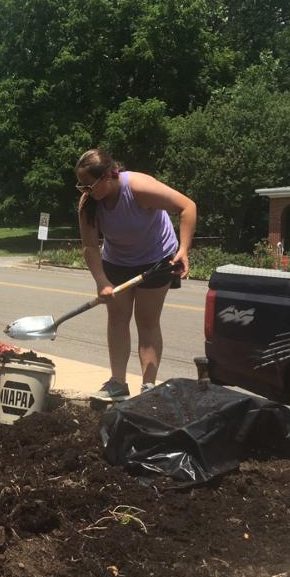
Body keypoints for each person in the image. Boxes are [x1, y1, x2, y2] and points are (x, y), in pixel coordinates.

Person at [76, 147, 197, 400]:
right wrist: (102, 281)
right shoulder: (89, 203)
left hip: (156, 258)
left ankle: (148, 388)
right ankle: (117, 383)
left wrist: (184, 249)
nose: (85, 191)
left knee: (147, 321)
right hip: (116, 260)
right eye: (81, 186)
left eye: (90, 184)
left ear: (109, 175)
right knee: (117, 318)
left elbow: (187, 207)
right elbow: (89, 247)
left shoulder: (139, 187)